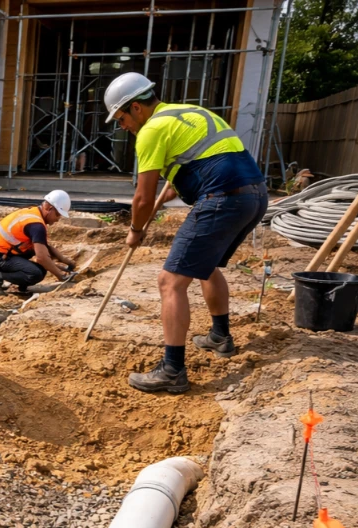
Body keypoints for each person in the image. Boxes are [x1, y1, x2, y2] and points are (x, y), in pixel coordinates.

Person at [104, 71, 268, 394]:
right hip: (255, 196)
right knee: (206, 267)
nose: (122, 127)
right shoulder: (189, 112)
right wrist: (175, 189)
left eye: (121, 119)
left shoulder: (151, 130)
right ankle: (220, 337)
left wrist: (135, 229)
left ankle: (172, 370)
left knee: (170, 281)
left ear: (136, 107)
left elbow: (142, 197)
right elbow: (205, 158)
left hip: (222, 198)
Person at [0, 190, 77, 295]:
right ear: (49, 208)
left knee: (41, 270)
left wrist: (66, 263)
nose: (58, 219)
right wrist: (61, 276)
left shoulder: (34, 213)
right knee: (35, 274)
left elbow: (45, 248)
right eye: (58, 215)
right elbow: (42, 258)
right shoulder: (36, 225)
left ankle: (21, 285)